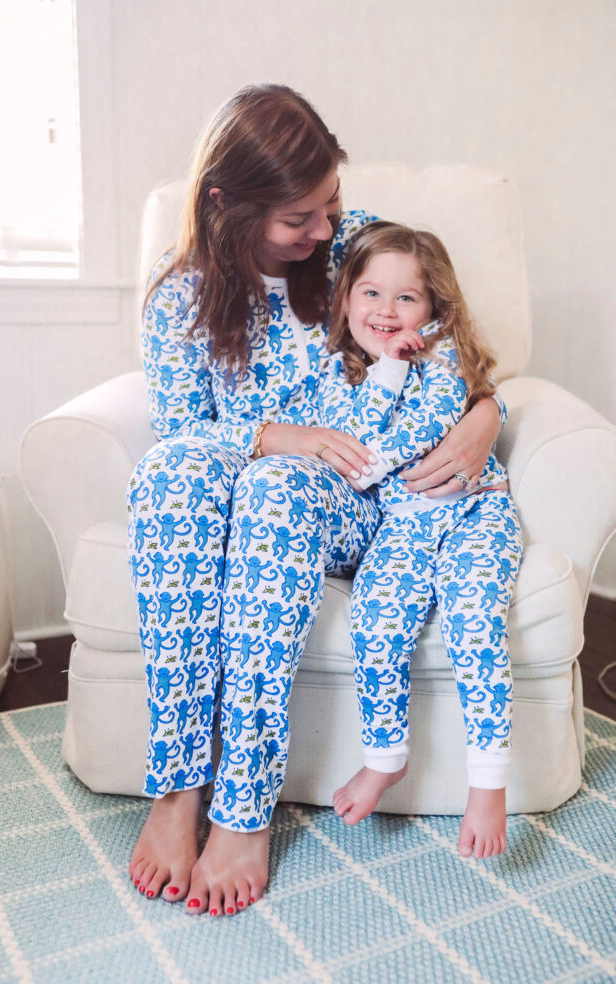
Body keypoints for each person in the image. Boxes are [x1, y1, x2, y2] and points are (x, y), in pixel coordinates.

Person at [126, 84, 506, 917]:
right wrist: (274, 434)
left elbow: (449, 346)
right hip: (248, 491)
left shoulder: (352, 250)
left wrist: (484, 416)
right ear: (227, 206)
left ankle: (243, 804)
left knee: (275, 490)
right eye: (300, 217)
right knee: (171, 477)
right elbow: (182, 436)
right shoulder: (177, 298)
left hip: (353, 504)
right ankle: (181, 786)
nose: (325, 230)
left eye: (331, 203)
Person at [318, 221, 523, 858]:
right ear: (347, 298)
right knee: (375, 620)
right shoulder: (338, 374)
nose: (386, 311)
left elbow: (408, 436)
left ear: (434, 307)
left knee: (473, 613)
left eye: (407, 298)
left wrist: (371, 445)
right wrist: (381, 372)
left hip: (474, 515)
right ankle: (385, 758)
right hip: (402, 531)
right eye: (371, 293)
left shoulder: (445, 362)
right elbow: (344, 434)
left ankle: (488, 783)